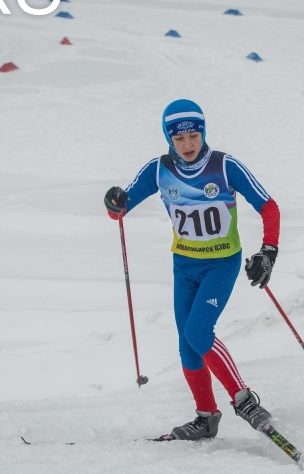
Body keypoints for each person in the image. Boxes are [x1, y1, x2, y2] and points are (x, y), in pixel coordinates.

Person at [103, 99, 282, 441]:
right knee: (187, 345)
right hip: (184, 267)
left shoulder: (226, 166)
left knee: (199, 332)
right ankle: (205, 418)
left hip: (221, 264)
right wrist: (114, 203)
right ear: (169, 138)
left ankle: (244, 401)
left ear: (203, 133)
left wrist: (268, 251)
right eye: (179, 138)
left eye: (193, 136)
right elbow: (120, 210)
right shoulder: (158, 170)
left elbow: (268, 206)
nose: (187, 145)